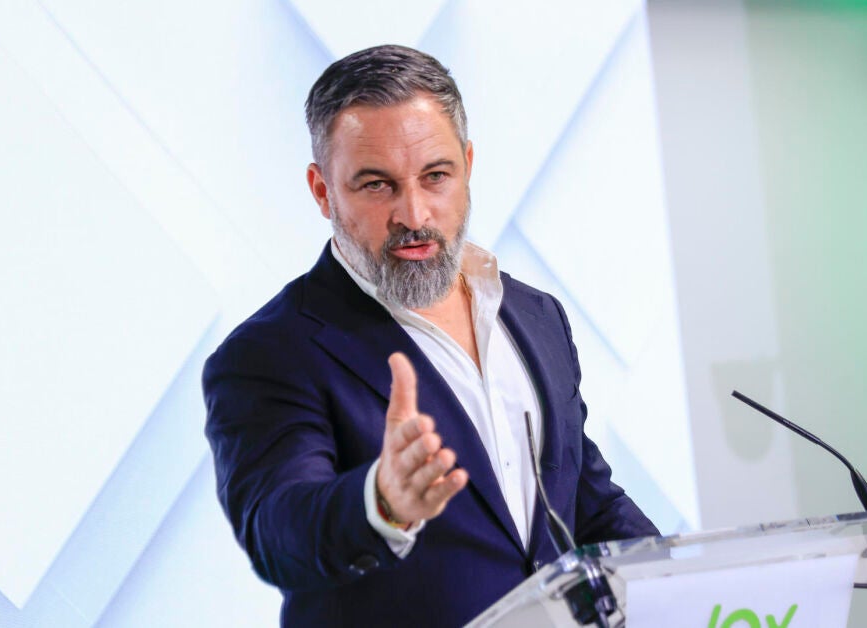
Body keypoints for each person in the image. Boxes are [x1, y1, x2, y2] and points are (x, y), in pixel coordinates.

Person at [203, 44, 658, 627]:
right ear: (322, 191)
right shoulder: (268, 354)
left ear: (467, 165)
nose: (414, 214)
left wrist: (693, 584)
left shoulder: (536, 315)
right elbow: (278, 529)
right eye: (377, 185)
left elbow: (582, 502)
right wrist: (382, 502)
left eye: (435, 176)